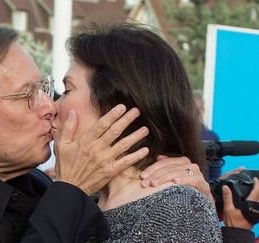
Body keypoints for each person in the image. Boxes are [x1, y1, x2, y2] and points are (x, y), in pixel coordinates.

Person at [0, 24, 200, 243]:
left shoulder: (41, 189)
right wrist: (72, 190)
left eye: (46, 88)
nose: (49, 106)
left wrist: (209, 217)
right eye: (27, 95)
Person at [50, 21, 245, 242]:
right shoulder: (85, 201)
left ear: (115, 103)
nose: (53, 106)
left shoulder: (175, 210)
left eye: (67, 90)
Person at [194, 90, 222, 180]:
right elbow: (185, 169)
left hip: (206, 188)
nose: (195, 114)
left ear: (203, 110)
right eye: (192, 110)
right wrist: (192, 176)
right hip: (187, 182)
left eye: (198, 110)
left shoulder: (212, 137)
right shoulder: (180, 137)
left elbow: (215, 171)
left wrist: (211, 188)